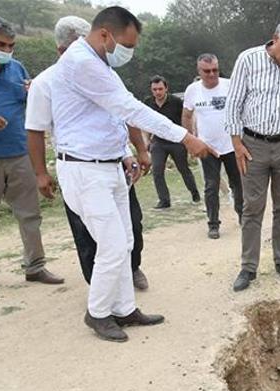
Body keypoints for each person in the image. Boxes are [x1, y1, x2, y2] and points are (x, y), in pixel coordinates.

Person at [50, 6, 215, 342]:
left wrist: (125, 153)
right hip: (84, 169)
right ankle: (97, 313)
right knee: (110, 245)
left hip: (109, 166)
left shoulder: (102, 66)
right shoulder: (81, 63)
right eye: (127, 45)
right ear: (104, 34)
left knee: (123, 242)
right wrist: (186, 137)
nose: (129, 53)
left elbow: (110, 118)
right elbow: (130, 109)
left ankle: (125, 308)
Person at [26, 15, 150, 290]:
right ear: (61, 50)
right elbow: (35, 130)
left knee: (131, 224)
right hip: (81, 168)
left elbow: (123, 114)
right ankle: (99, 289)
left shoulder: (107, 73)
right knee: (88, 233)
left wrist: (134, 150)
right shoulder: (46, 83)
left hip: (116, 163)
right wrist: (40, 173)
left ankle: (131, 270)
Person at [0, 15, 64, 293]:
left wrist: (31, 91)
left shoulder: (16, 67)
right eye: (1, 44)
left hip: (20, 152)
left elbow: (29, 102)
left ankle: (35, 266)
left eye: (11, 46)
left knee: (30, 213)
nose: (7, 51)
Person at [225, 17, 280, 292]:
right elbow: (234, 103)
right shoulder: (248, 60)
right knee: (252, 207)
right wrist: (237, 143)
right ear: (276, 39)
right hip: (253, 147)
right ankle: (248, 267)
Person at [182, 53, 243, 239]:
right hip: (207, 147)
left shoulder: (230, 85)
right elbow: (186, 115)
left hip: (232, 145)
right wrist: (190, 141)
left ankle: (242, 215)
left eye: (215, 70)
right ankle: (213, 224)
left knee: (238, 183)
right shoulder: (192, 90)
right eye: (207, 71)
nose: (211, 74)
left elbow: (243, 109)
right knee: (211, 186)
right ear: (199, 71)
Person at [143, 75, 201, 209]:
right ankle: (164, 200)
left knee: (183, 169)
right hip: (158, 142)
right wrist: (146, 140)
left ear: (166, 88)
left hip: (176, 141)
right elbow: (145, 123)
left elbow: (187, 119)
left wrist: (189, 139)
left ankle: (194, 193)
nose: (157, 92)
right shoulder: (148, 103)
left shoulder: (176, 102)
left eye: (160, 89)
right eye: (155, 89)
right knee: (157, 171)